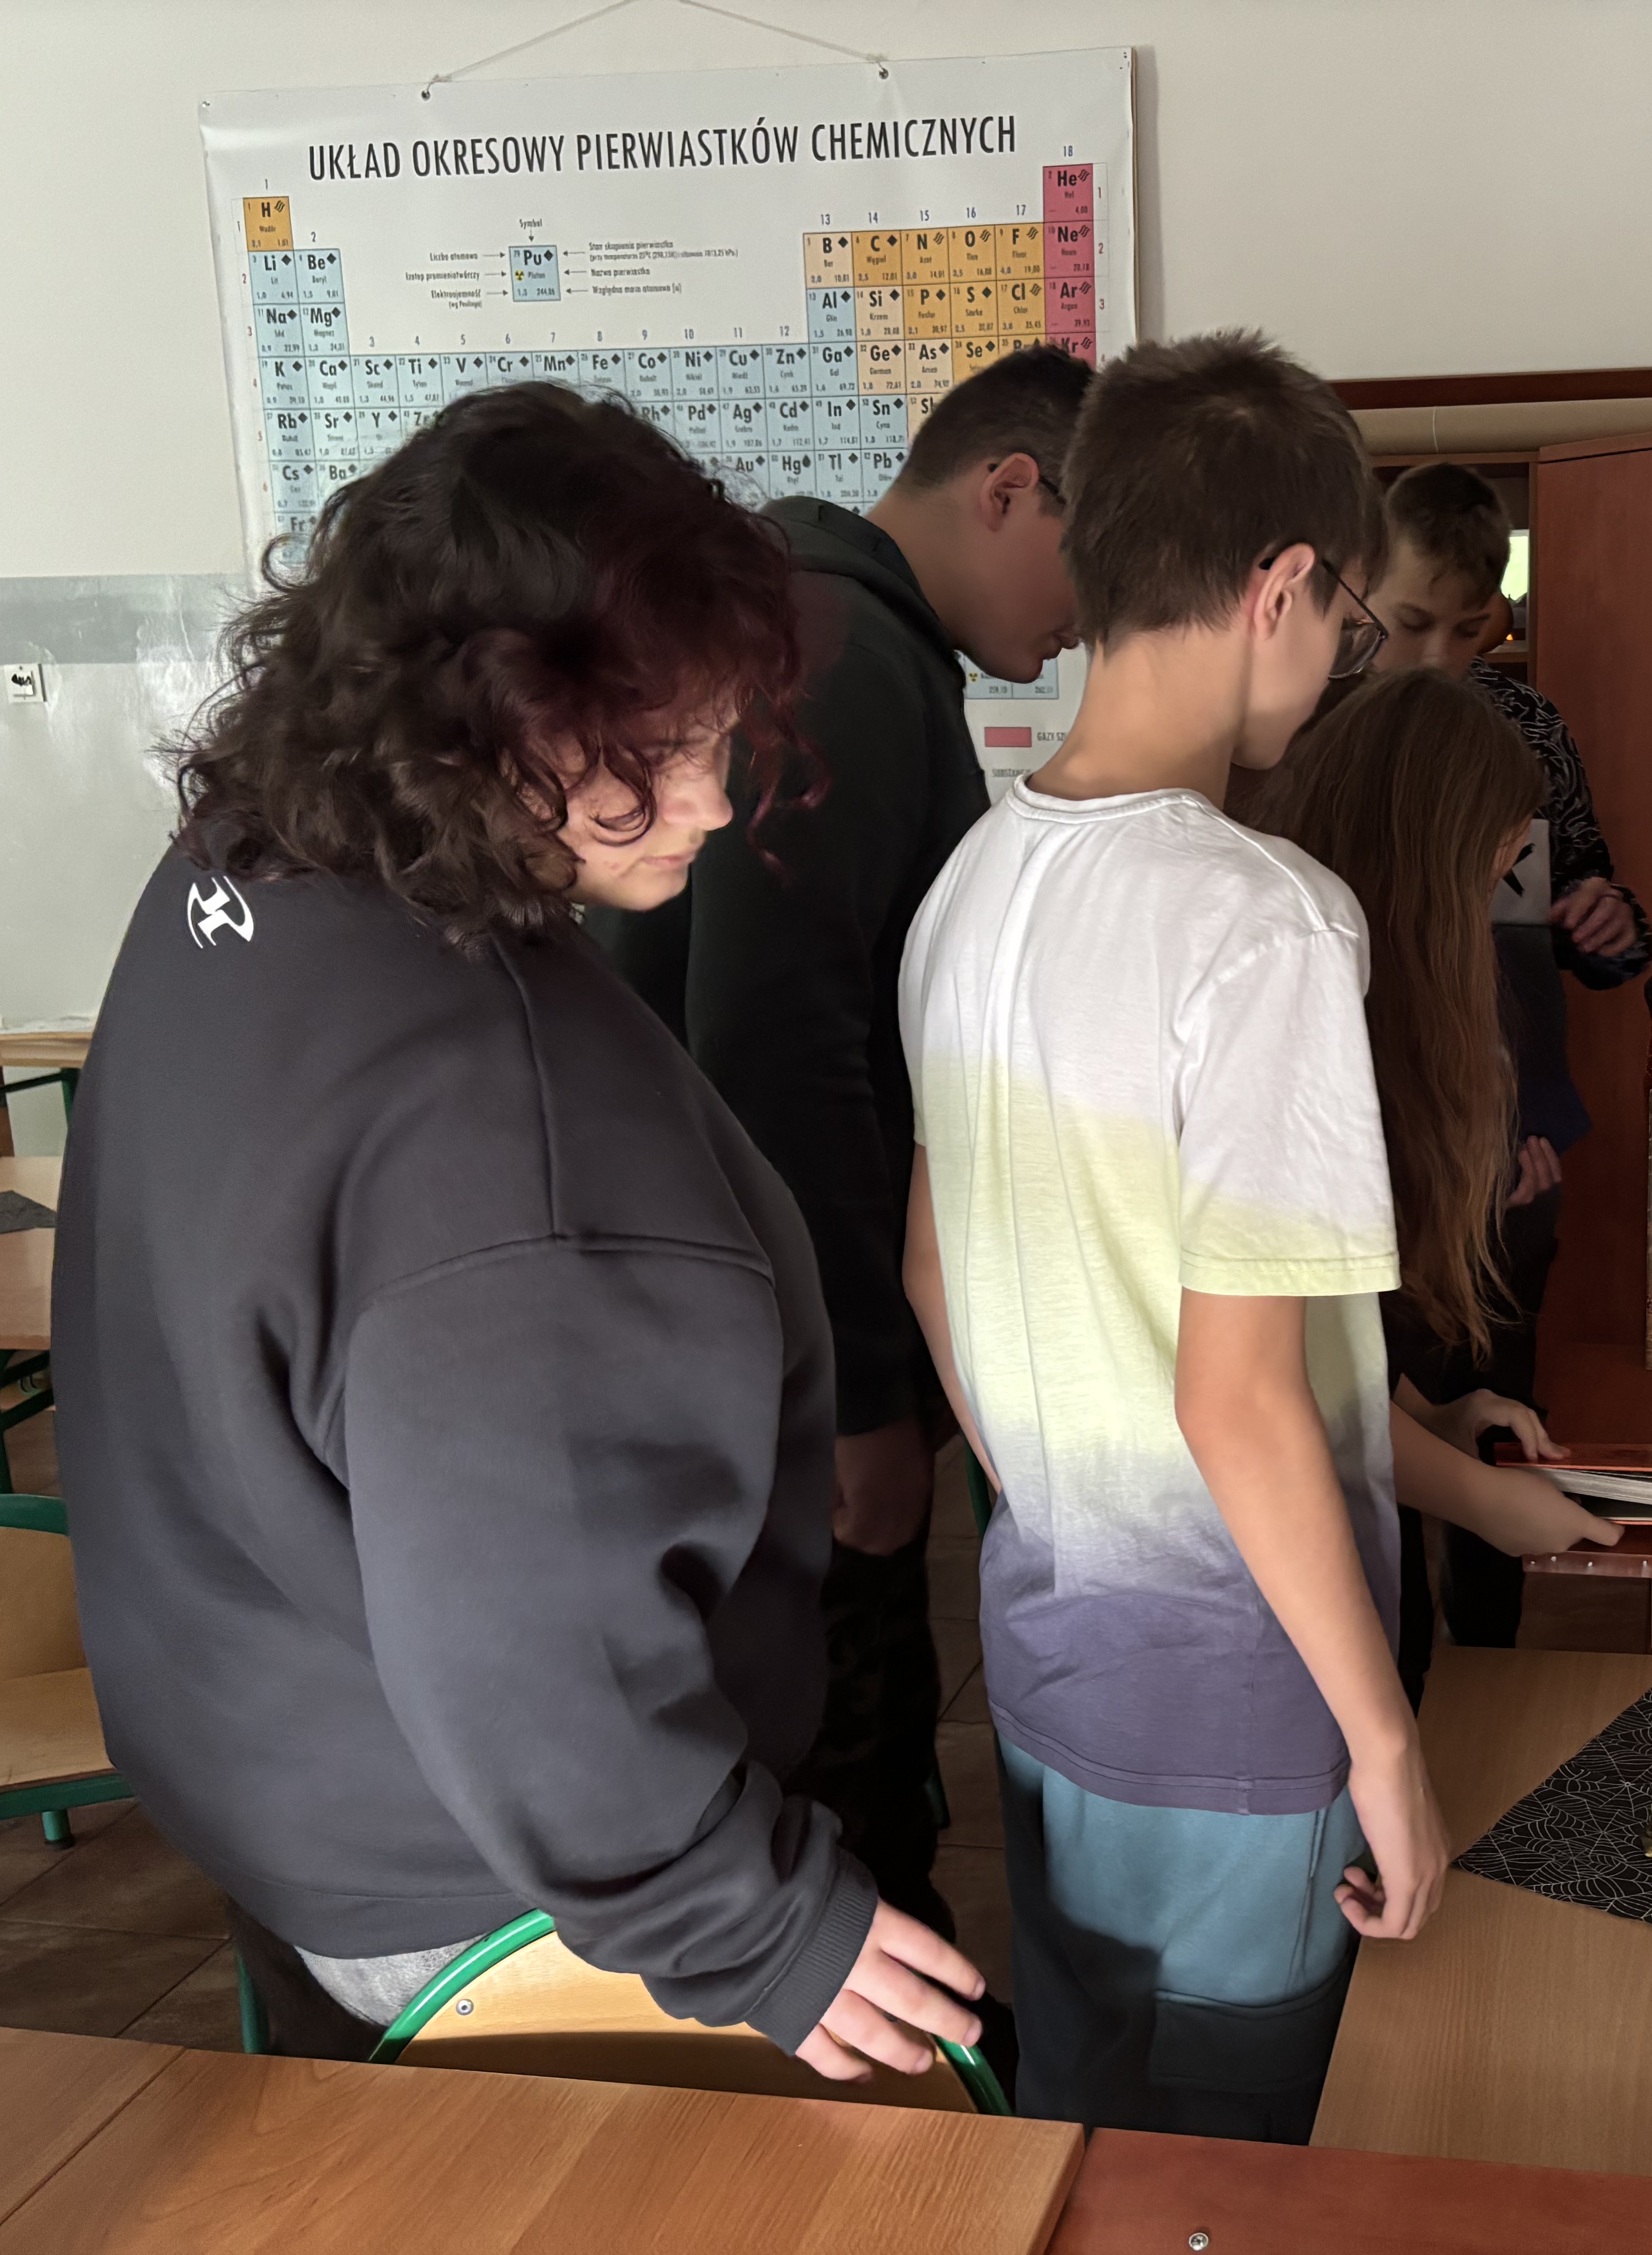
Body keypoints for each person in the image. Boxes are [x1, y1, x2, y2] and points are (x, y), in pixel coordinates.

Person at [52, 383, 984, 2079]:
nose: (716, 800)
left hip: (268, 1750)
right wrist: (758, 1923)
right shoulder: (507, 1136)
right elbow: (539, 1645)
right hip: (486, 1884)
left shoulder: (244, 866)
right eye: (666, 749)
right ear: (495, 722)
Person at [900, 332, 1439, 2139]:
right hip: (1242, 1703)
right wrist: (1384, 1742)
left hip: (1054, 1655)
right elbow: (1240, 1399)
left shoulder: (968, 887)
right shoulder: (1264, 922)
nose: (1336, 654)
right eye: (1346, 613)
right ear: (1282, 585)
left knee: (1088, 2127)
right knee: (1235, 2168)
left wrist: (1069, 1496)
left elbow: (931, 1268)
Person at [590, 344, 1092, 1949]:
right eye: (1094, 561)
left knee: (830, 1736)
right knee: (838, 1758)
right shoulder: (847, 656)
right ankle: (892, 2068)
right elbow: (777, 1048)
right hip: (769, 1344)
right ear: (1010, 487)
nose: (1090, 620)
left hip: (739, 1320)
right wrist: (863, 1394)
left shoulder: (832, 631)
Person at [1237, 667, 1625, 1702]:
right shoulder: (1309, 1015)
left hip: (1343, 1487)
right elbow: (1287, 1378)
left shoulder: (1390, 1003)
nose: (1496, 902)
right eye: (1490, 870)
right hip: (1271, 1568)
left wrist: (1435, 1416)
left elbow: (1343, 1339)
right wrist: (1484, 1503)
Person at [1357, 462, 1652, 1645]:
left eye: (1468, 630)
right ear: (1360, 592)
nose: (1439, 658)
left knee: (1496, 1420)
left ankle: (1491, 1664)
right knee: (1367, 1435)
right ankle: (1394, 1674)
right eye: (1410, 624)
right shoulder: (1323, 735)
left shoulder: (1528, 727)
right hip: (1380, 1152)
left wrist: (1608, 925)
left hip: (1519, 1142)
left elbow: (1594, 901)